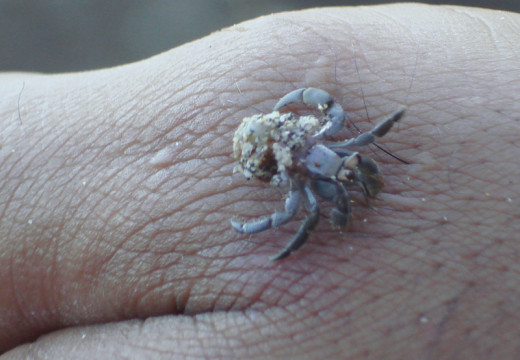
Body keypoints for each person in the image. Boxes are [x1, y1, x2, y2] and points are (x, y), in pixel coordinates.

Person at [2, 4, 519, 358]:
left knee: (336, 180)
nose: (347, 164)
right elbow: (302, 203)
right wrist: (256, 227)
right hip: (293, 149)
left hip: (298, 147)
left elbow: (336, 128)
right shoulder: (317, 162)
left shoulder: (331, 150)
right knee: (318, 206)